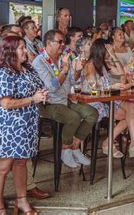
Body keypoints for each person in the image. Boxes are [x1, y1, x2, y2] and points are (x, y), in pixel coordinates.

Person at [0, 36, 48, 214]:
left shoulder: (27, 69)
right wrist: (33, 99)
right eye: (21, 48)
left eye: (24, 47)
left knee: (21, 162)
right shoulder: (2, 72)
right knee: (3, 167)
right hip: (9, 127)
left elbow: (39, 87)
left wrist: (42, 93)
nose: (25, 51)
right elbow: (6, 103)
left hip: (27, 123)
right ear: (9, 51)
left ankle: (21, 200)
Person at [32, 30, 98, 168]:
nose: (63, 44)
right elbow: (51, 87)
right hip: (48, 103)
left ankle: (74, 147)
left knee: (92, 114)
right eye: (59, 42)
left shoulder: (63, 57)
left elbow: (74, 82)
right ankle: (65, 150)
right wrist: (65, 70)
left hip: (65, 99)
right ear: (49, 43)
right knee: (73, 117)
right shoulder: (39, 61)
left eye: (63, 41)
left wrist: (78, 70)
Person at [82, 39, 134, 158]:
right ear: (101, 50)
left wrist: (113, 55)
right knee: (128, 114)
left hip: (106, 98)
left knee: (131, 106)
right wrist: (112, 86)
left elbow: (121, 71)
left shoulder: (102, 64)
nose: (110, 51)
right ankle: (109, 142)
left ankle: (133, 144)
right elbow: (93, 87)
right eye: (108, 50)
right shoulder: (90, 65)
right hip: (94, 100)